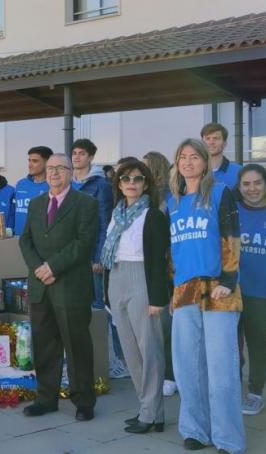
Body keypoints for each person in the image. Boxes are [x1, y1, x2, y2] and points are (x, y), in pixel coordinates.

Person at [167, 138, 245, 454]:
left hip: (218, 288)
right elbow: (172, 252)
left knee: (221, 369)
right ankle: (196, 430)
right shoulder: (171, 201)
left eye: (194, 157)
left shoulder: (220, 192)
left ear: (204, 162)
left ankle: (228, 439)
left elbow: (232, 237)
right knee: (187, 368)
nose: (188, 162)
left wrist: (229, 278)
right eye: (182, 157)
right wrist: (172, 292)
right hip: (184, 291)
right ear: (177, 163)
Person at [18, 153, 99, 422]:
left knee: (77, 345)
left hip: (71, 286)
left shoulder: (85, 203)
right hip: (41, 286)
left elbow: (84, 243)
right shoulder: (36, 203)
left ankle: (84, 401)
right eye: (50, 168)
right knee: (44, 344)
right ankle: (46, 399)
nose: (54, 173)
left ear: (70, 173)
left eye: (60, 168)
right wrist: (39, 269)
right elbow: (26, 240)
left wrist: (52, 267)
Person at [100, 159, 170, 433]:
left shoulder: (152, 215)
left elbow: (159, 261)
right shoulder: (117, 214)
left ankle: (151, 413)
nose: (131, 183)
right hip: (117, 280)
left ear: (146, 184)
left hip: (141, 280)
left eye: (137, 179)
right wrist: (108, 292)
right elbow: (110, 254)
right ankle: (149, 409)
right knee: (130, 351)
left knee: (149, 349)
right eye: (126, 179)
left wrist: (157, 299)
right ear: (118, 184)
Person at [71, 139, 126, 378]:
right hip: (72, 255)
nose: (77, 157)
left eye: (82, 153)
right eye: (74, 153)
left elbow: (105, 223)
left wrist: (99, 257)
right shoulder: (69, 183)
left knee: (99, 308)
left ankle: (112, 361)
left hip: (92, 255)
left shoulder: (100, 185)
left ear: (91, 157)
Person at [235, 164, 266, 417]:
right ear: (239, 187)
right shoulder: (232, 210)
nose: (252, 189)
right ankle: (232, 384)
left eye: (257, 183)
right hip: (232, 289)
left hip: (264, 291)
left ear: (265, 183)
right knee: (230, 342)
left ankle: (255, 392)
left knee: (257, 342)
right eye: (246, 184)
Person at [143, 150, 178, 398]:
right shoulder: (147, 197)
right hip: (151, 266)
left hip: (167, 267)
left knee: (168, 325)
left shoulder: (166, 198)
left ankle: (170, 374)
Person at [14, 146, 54, 235]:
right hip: (18, 238)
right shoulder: (20, 184)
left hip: (41, 239)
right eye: (29, 161)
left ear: (47, 163)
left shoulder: (53, 186)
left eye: (35, 161)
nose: (30, 165)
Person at [201, 123, 242, 189]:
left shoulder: (238, 171)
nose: (211, 142)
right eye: (207, 138)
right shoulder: (195, 170)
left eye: (216, 138)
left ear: (224, 144)